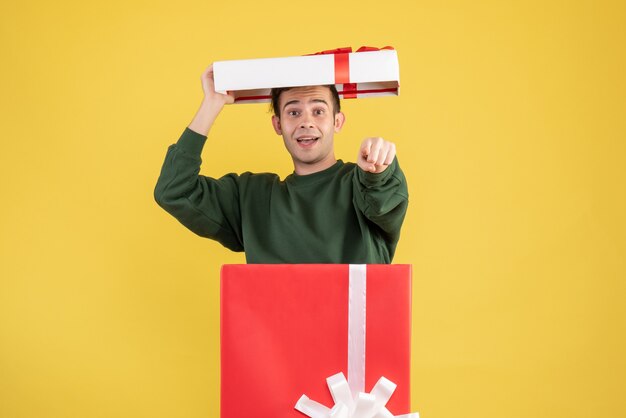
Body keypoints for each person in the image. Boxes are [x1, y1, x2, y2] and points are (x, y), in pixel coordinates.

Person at [154, 64, 408, 263]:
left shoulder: (361, 182)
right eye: (293, 112)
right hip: (276, 330)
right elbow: (174, 191)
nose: (306, 122)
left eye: (318, 111)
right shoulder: (252, 197)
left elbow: (382, 196)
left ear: (337, 122)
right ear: (278, 124)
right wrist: (211, 104)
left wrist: (378, 170)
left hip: (356, 329)